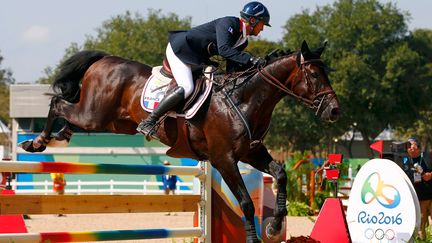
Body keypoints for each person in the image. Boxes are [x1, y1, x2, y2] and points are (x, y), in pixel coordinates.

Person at [137, 1, 271, 137]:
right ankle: (149, 121)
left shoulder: (242, 41)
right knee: (187, 87)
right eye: (262, 24)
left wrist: (254, 69)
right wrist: (250, 59)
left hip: (196, 57)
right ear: (253, 20)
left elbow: (232, 65)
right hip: (181, 49)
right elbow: (224, 49)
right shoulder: (229, 23)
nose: (262, 29)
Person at [403, 138, 432, 240]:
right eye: (408, 146)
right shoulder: (404, 160)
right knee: (421, 226)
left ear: (418, 147)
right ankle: (423, 240)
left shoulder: (428, 156)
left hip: (430, 196)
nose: (410, 148)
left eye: (412, 145)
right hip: (419, 199)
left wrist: (430, 175)